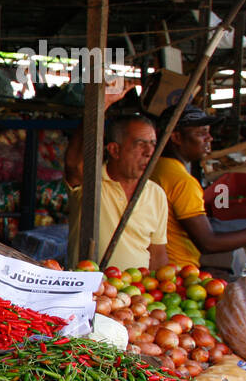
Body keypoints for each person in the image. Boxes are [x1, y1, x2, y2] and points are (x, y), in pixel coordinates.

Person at [151, 103, 246, 268]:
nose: (209, 139)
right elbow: (209, 243)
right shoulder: (182, 181)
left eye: (208, 132)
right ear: (177, 138)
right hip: (179, 271)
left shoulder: (156, 168)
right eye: (201, 133)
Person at [67, 114, 169, 271]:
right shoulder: (90, 183)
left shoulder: (156, 194)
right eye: (140, 144)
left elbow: (157, 254)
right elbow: (74, 165)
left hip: (138, 291)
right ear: (115, 150)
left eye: (153, 144)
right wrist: (103, 105)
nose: (149, 152)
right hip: (93, 290)